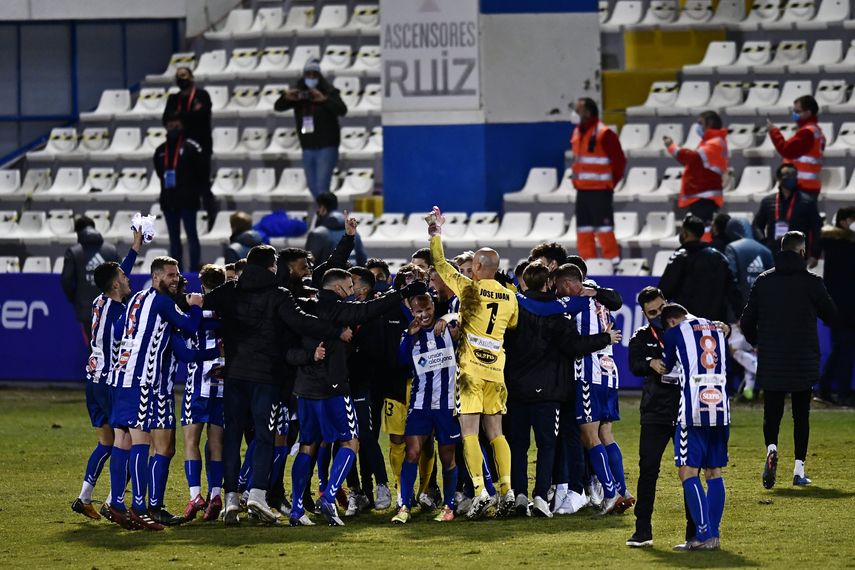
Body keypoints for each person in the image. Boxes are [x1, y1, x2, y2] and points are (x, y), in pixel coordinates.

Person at [201, 245, 346, 525]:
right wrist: (335, 330)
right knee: (265, 437)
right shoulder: (278, 295)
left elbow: (202, 304)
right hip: (265, 378)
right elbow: (301, 322)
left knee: (232, 436)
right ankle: (256, 495)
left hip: (234, 376)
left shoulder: (229, 290)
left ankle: (231, 498)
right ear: (272, 267)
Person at [287, 268, 427, 526]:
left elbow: (289, 352)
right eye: (350, 287)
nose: (353, 292)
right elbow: (368, 310)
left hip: (304, 390)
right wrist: (403, 292)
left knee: (308, 445)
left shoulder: (302, 309)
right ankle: (329, 496)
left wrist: (311, 354)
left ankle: (296, 510)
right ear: (339, 289)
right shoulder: (338, 310)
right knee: (351, 443)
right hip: (334, 389)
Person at [427, 206, 520, 519]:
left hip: (469, 372)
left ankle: (480, 491)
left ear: (478, 266)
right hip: (497, 371)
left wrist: (436, 232)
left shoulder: (468, 289)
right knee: (497, 432)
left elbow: (440, 264)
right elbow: (514, 324)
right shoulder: (510, 296)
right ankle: (506, 490)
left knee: (469, 431)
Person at [505, 262, 616, 518]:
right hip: (549, 392)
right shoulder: (558, 313)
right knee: (547, 446)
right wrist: (605, 339)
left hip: (517, 389)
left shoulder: (514, 308)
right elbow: (572, 345)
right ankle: (541, 496)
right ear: (547, 284)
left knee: (518, 445)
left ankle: (519, 494)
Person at [106, 256, 205, 531]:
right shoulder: (162, 302)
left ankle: (116, 502)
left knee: (122, 441)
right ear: (156, 276)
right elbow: (190, 327)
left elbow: (116, 332)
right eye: (170, 275)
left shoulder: (137, 298)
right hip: (142, 380)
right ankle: (139, 507)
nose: (175, 279)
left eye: (176, 275)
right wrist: (195, 307)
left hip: (121, 377)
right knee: (141, 441)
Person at [740, 231, 836, 489]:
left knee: (772, 413)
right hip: (803, 358)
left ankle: (771, 448)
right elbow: (831, 315)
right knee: (800, 415)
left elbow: (746, 320)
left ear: (781, 250)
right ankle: (798, 469)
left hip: (772, 357)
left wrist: (757, 341)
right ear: (803, 251)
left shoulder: (764, 281)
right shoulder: (812, 282)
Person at [71, 229, 142, 521]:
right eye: (124, 278)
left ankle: (84, 496)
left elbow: (117, 274)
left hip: (93, 381)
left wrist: (135, 247)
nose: (128, 279)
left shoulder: (101, 300)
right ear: (116, 286)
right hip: (111, 383)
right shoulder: (119, 312)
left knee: (106, 442)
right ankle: (114, 501)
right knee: (129, 440)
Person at [552, 263, 628, 515]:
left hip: (588, 373)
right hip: (610, 372)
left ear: (565, 284)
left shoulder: (575, 305)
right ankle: (623, 489)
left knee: (589, 435)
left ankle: (609, 493)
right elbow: (617, 301)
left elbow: (573, 344)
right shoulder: (600, 298)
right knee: (607, 434)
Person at [626, 287, 693, 548]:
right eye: (651, 312)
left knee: (690, 471)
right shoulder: (642, 336)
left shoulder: (687, 327)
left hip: (685, 409)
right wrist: (649, 363)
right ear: (643, 314)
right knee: (648, 470)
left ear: (666, 303)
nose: (657, 315)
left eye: (659, 309)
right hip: (655, 411)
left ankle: (694, 532)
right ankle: (642, 531)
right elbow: (633, 363)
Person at [661, 303, 730, 551]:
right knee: (714, 471)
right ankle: (714, 535)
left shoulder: (673, 333)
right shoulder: (718, 328)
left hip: (693, 411)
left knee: (688, 472)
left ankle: (702, 534)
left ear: (670, 321)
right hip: (721, 408)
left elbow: (667, 367)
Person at [391, 293, 461, 524]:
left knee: (447, 456)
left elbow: (466, 317)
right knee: (411, 453)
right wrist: (408, 337)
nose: (423, 315)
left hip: (446, 405)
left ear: (433, 307)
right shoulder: (410, 335)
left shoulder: (449, 328)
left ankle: (449, 506)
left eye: (427, 309)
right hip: (420, 405)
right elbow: (400, 361)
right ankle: (404, 506)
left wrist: (449, 316)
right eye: (418, 311)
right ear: (412, 312)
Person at [181, 264, 227, 522]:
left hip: (198, 382)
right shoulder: (229, 311)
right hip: (223, 383)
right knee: (217, 442)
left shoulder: (194, 310)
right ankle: (217, 494)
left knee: (191, 442)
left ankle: (195, 495)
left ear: (202, 284)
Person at [274, 58, 347, 198]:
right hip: (308, 147)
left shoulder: (329, 91)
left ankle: (327, 217)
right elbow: (278, 107)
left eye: (314, 74)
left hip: (327, 146)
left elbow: (342, 110)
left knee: (322, 187)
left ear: (319, 76)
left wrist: (324, 100)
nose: (311, 77)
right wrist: (287, 97)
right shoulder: (299, 94)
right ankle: (327, 214)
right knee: (313, 188)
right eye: (308, 74)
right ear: (304, 75)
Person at [570, 97, 626, 263]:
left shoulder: (604, 133)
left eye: (578, 109)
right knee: (583, 231)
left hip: (600, 191)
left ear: (587, 112)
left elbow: (619, 162)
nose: (575, 113)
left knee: (604, 229)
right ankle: (586, 266)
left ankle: (613, 264)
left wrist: (609, 184)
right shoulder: (577, 132)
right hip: (582, 191)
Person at [659, 215, 743, 322]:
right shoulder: (718, 256)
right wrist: (740, 315)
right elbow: (733, 290)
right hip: (714, 324)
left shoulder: (680, 256)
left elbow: (665, 289)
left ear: (685, 233)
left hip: (687, 322)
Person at [154, 113, 210, 271]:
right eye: (170, 124)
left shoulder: (191, 147)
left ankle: (193, 271)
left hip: (188, 200)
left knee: (192, 236)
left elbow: (202, 172)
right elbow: (160, 173)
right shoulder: (160, 151)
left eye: (176, 124)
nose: (173, 127)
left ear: (182, 125)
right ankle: (174, 272)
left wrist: (194, 190)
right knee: (174, 239)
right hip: (169, 200)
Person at [663, 111, 728, 236]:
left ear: (710, 123)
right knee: (701, 229)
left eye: (700, 123)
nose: (697, 127)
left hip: (704, 196)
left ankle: (705, 254)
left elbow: (692, 158)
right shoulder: (712, 141)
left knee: (704, 230)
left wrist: (672, 147)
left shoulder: (715, 142)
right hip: (701, 195)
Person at [61, 215, 120, 344]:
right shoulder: (111, 250)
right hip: (111, 307)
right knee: (113, 349)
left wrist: (75, 298)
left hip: (87, 309)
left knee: (94, 350)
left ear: (78, 233)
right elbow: (123, 279)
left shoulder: (73, 252)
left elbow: (66, 280)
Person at [818, 207, 855, 406]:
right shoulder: (845, 247)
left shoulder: (832, 245)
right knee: (845, 349)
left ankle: (825, 388)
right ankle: (842, 393)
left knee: (841, 348)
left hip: (837, 306)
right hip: (846, 307)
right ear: (844, 221)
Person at [754, 164, 822, 267]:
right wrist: (764, 243)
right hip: (774, 254)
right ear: (779, 178)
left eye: (794, 174)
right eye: (787, 174)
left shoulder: (807, 202)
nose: (791, 177)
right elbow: (757, 226)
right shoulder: (768, 201)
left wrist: (815, 255)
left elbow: (817, 229)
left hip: (798, 254)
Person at [767, 95, 825, 198]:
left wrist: (774, 132)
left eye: (798, 111)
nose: (794, 114)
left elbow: (786, 150)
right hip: (808, 185)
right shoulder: (816, 131)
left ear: (808, 112)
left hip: (801, 186)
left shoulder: (807, 133)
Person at [162, 66, 213, 158]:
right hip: (178, 144)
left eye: (183, 75)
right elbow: (166, 119)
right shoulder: (173, 98)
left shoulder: (202, 95)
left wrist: (179, 115)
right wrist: (190, 115)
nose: (181, 78)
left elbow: (201, 117)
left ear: (191, 77)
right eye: (178, 77)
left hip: (200, 143)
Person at [305, 193, 367, 267]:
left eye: (318, 208)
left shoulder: (316, 234)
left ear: (322, 208)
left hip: (328, 278)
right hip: (351, 277)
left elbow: (309, 266)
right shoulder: (353, 232)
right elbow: (363, 262)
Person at [723, 217, 774, 303]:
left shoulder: (732, 248)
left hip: (740, 307)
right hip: (762, 306)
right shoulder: (766, 251)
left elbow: (731, 277)